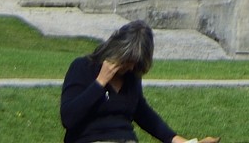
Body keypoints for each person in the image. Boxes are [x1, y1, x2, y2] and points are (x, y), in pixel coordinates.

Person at [59, 23, 216, 143]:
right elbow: (68, 118)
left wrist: (176, 139)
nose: (131, 67)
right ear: (116, 49)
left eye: (136, 64)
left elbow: (142, 112)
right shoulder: (83, 67)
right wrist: (100, 82)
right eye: (127, 61)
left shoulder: (131, 75)